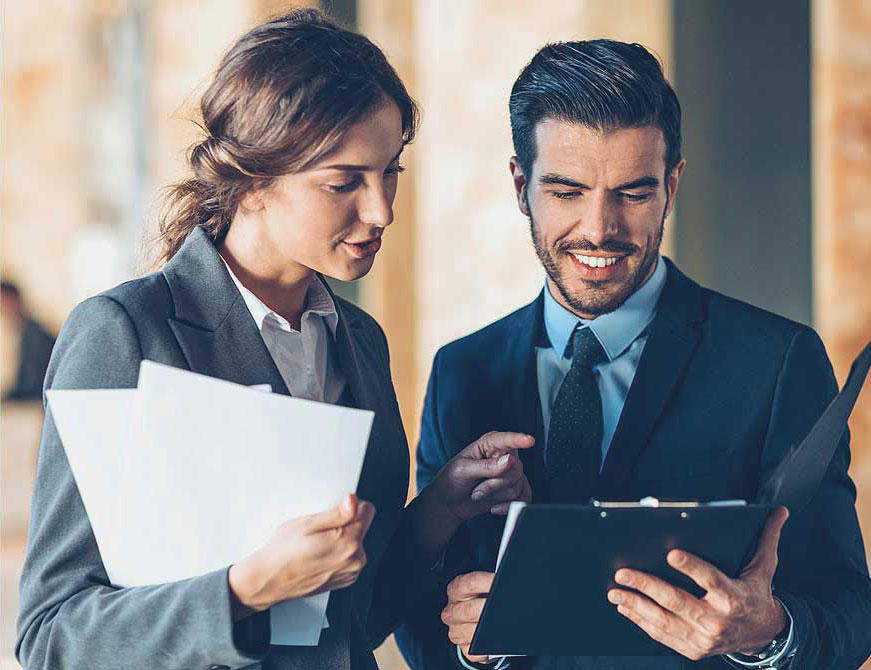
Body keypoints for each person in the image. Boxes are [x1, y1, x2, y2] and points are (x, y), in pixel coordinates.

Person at [16, 10, 533, 670]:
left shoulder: (359, 339)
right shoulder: (125, 333)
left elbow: (353, 623)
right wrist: (248, 588)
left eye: (390, 171)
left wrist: (439, 508)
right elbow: (52, 639)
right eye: (343, 182)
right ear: (253, 181)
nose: (381, 211)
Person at [395, 40, 871, 670]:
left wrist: (768, 633)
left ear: (672, 184)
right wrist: (477, 651)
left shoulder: (778, 361)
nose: (600, 228)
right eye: (566, 192)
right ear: (520, 185)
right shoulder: (463, 370)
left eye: (634, 193)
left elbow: (848, 610)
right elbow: (422, 617)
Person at [1, 279, 55, 401]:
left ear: (14, 300)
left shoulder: (35, 335)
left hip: (38, 402)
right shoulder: (23, 330)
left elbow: (32, 382)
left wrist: (10, 397)